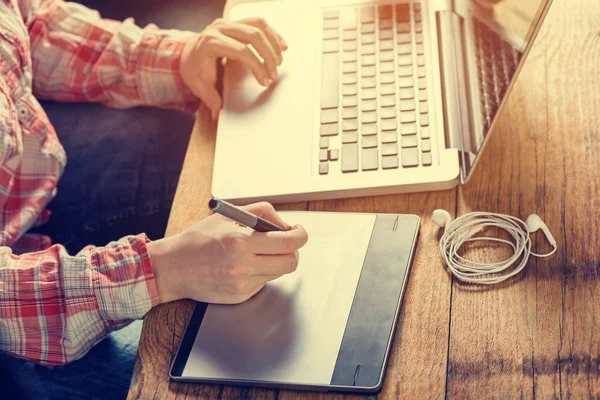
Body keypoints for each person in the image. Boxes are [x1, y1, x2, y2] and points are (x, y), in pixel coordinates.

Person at [0, 0, 308, 398]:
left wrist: (178, 59)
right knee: (212, 375)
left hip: (25, 181)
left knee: (231, 144)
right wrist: (162, 271)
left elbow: (30, 22)